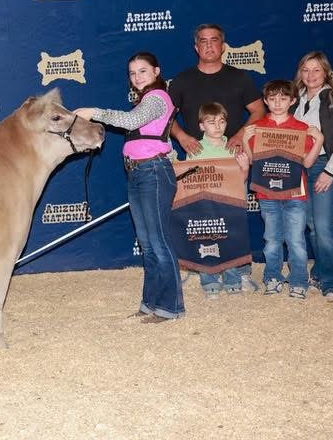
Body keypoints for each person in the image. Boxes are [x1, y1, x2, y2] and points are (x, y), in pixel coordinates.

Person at [76, 52, 184, 323]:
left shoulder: (157, 97)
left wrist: (94, 113)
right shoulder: (145, 100)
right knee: (148, 244)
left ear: (156, 71)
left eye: (143, 71)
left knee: (159, 242)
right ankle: (150, 304)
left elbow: (131, 122)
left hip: (153, 171)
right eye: (133, 73)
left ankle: (171, 308)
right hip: (139, 172)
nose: (137, 77)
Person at [243, 80, 324, 299]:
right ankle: (272, 277)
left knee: (296, 240)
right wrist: (245, 140)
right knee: (271, 239)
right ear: (265, 101)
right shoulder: (258, 127)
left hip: (295, 193)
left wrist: (319, 140)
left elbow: (308, 163)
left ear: (292, 101)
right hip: (267, 193)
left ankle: (298, 280)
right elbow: (252, 161)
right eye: (272, 99)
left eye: (283, 98)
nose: (277, 103)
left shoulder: (301, 128)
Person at [292, 51, 333, 303]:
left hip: (326, 164)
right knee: (311, 224)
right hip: (301, 167)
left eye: (316, 70)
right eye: (306, 70)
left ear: (326, 72)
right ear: (300, 73)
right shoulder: (294, 101)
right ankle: (319, 273)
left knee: (323, 225)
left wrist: (330, 171)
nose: (310, 75)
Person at [187, 102, 257, 298]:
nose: (217, 126)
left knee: (231, 240)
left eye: (221, 121)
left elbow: (240, 181)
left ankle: (232, 279)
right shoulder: (195, 150)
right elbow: (190, 182)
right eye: (211, 122)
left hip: (229, 205)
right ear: (202, 126)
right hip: (205, 206)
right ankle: (209, 280)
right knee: (205, 240)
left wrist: (245, 168)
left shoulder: (233, 148)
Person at [168, 24, 265, 155]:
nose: (209, 45)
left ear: (223, 46)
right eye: (203, 41)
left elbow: (259, 110)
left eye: (214, 40)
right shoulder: (181, 81)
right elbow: (164, 116)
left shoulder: (240, 77)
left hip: (234, 154)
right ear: (196, 48)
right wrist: (181, 137)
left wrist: (242, 135)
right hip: (197, 156)